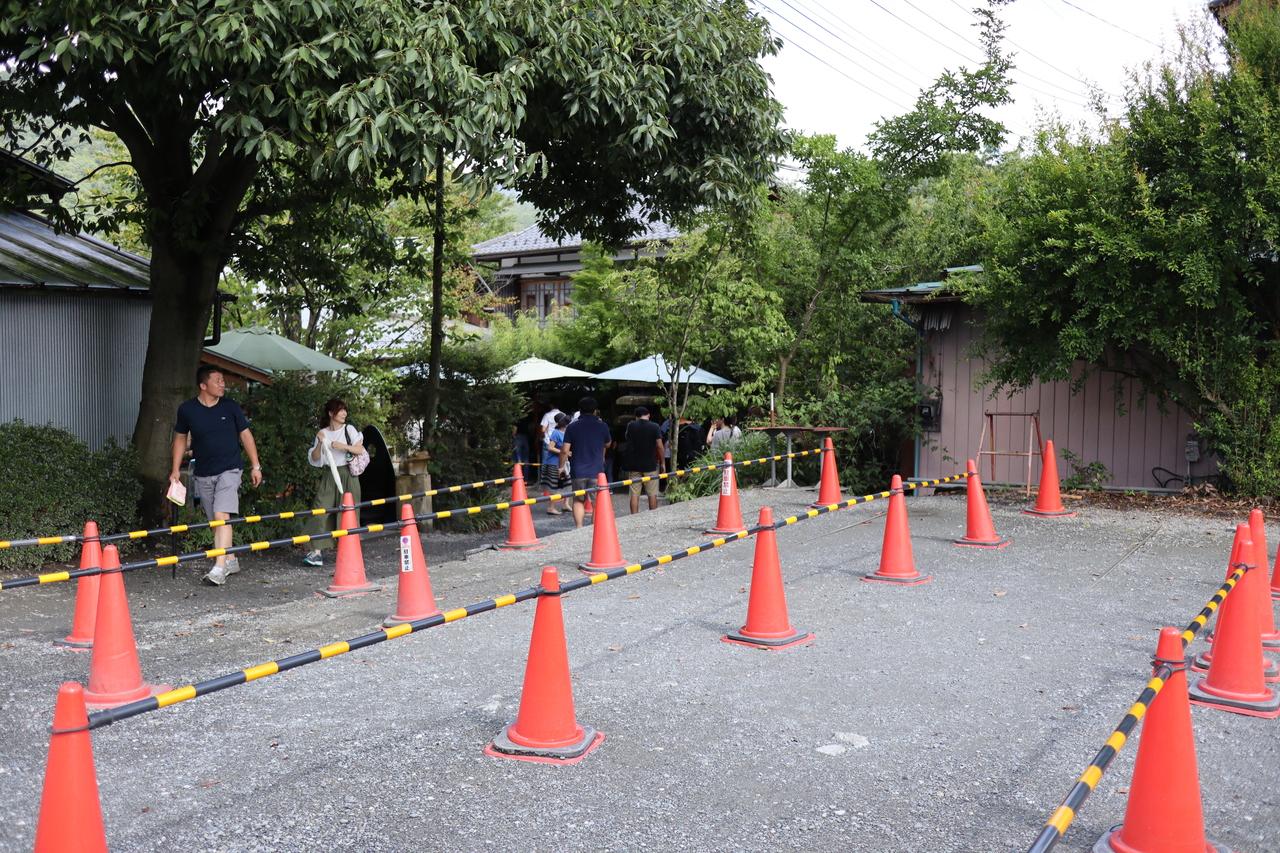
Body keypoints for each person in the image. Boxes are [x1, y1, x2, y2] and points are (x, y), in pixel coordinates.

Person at [170, 365, 263, 586]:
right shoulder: (187, 410)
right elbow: (180, 439)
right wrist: (175, 469)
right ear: (203, 385)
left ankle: (219, 568)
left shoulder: (230, 407)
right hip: (203, 472)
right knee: (216, 521)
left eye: (223, 380)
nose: (223, 384)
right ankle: (230, 558)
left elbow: (246, 435)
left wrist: (255, 466)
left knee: (222, 514)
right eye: (218, 380)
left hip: (230, 469)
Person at [301, 398, 365, 567]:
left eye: (345, 410)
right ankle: (316, 552)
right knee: (320, 510)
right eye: (340, 410)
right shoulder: (322, 432)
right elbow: (315, 458)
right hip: (330, 475)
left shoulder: (349, 429)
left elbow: (359, 449)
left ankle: (349, 553)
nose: (344, 413)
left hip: (348, 475)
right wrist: (320, 443)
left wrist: (343, 446)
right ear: (331, 413)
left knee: (349, 513)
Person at [560, 396, 613, 529]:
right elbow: (608, 443)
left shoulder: (572, 427)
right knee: (597, 502)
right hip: (597, 470)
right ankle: (595, 529)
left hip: (578, 470)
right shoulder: (602, 426)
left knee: (578, 500)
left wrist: (561, 467)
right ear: (595, 410)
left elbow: (565, 450)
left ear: (580, 410)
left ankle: (579, 528)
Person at [621, 406, 665, 514]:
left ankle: (634, 518)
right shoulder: (655, 426)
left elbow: (627, 438)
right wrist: (663, 462)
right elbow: (660, 446)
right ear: (648, 415)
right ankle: (653, 516)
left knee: (634, 494)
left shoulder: (631, 426)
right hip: (650, 465)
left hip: (634, 465)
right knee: (652, 493)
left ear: (636, 416)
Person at [542, 412, 570, 514]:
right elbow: (550, 447)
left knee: (567, 484)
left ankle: (566, 504)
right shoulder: (556, 433)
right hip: (554, 463)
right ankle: (551, 507)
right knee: (555, 485)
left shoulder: (566, 432)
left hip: (564, 462)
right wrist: (563, 452)